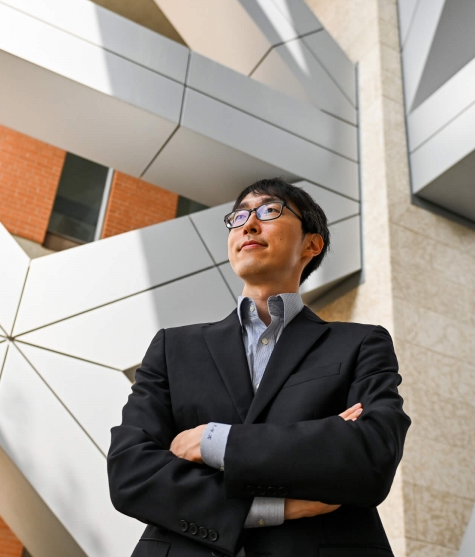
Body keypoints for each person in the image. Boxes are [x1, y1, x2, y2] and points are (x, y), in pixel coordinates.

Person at [108, 178, 410, 556]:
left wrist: (212, 441)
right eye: (238, 217)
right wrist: (273, 505)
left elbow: (371, 457)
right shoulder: (174, 347)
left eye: (269, 211)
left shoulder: (361, 343)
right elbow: (130, 472)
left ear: (311, 244)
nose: (249, 224)